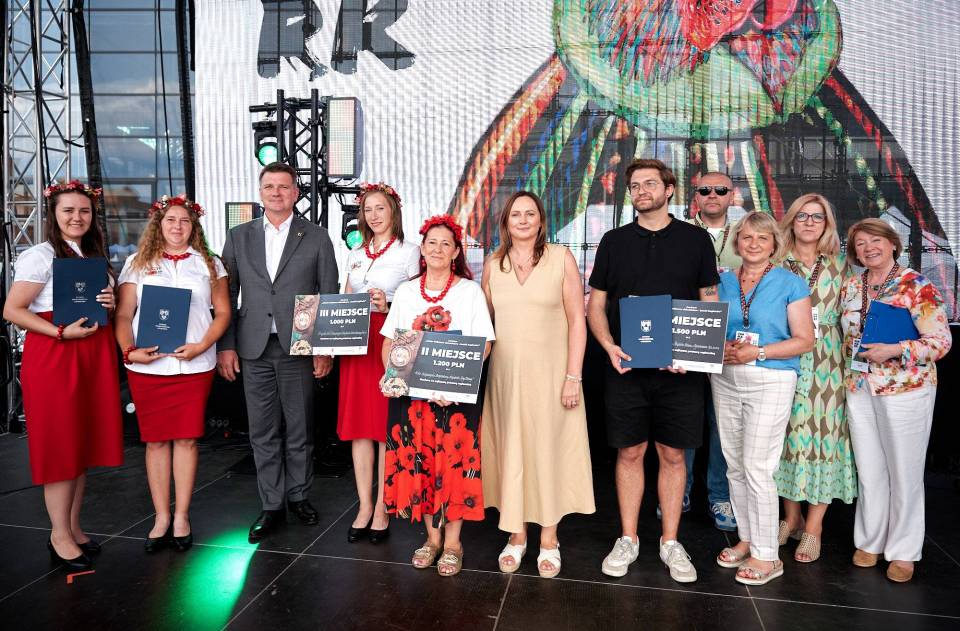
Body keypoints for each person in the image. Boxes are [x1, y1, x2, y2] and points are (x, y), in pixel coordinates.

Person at [587, 158, 719, 584]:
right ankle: (628, 538)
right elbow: (596, 304)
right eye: (634, 186)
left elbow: (709, 300)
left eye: (649, 183)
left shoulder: (696, 240)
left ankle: (670, 541)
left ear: (669, 189)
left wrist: (694, 353)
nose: (641, 191)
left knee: (673, 454)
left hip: (679, 372)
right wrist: (608, 346)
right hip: (625, 368)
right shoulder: (614, 241)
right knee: (629, 453)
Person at [2, 180, 122, 570]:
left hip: (91, 351)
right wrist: (59, 332)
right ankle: (58, 535)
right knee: (60, 446)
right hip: (56, 352)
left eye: (84, 211)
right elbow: (12, 310)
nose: (77, 217)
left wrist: (110, 300)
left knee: (80, 444)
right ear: (54, 214)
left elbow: (100, 304)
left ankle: (72, 527)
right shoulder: (39, 256)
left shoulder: (93, 255)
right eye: (68, 210)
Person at [217, 162, 339, 543]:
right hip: (252, 347)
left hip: (298, 347)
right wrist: (226, 345)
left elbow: (328, 294)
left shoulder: (317, 237)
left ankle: (298, 495)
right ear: (260, 192)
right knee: (262, 431)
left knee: (300, 428)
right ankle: (271, 504)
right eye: (269, 186)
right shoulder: (238, 236)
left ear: (295, 193)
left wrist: (324, 349)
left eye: (284, 187)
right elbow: (226, 296)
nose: (276, 193)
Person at [481, 191, 595, 579]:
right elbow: (483, 325)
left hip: (553, 377)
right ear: (505, 222)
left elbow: (577, 321)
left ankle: (549, 538)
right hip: (505, 379)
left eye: (530, 213)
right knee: (512, 452)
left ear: (541, 220)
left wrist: (573, 376)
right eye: (516, 214)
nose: (523, 219)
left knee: (548, 454)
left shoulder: (561, 258)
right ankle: (516, 535)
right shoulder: (493, 264)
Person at [379, 215, 495, 577]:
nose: (438, 249)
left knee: (453, 468)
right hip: (413, 399)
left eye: (446, 244)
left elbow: (484, 345)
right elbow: (390, 343)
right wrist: (394, 377)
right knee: (422, 466)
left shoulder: (469, 292)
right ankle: (432, 539)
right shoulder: (407, 292)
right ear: (423, 249)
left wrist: (452, 384)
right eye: (432, 243)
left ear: (457, 251)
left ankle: (453, 544)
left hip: (454, 402)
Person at [114, 195, 231, 552]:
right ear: (158, 224)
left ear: (194, 226)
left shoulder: (210, 263)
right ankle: (161, 517)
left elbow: (223, 313)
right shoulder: (137, 262)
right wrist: (129, 351)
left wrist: (202, 345)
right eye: (170, 220)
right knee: (155, 441)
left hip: (194, 365)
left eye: (184, 220)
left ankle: (181, 516)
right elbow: (123, 315)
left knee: (186, 440)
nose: (177, 226)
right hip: (148, 366)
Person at [839, 218, 952, 583]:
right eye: (860, 244)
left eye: (875, 240)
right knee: (869, 469)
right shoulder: (852, 285)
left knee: (904, 472)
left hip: (906, 389)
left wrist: (895, 349)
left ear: (892, 244)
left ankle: (903, 551)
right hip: (859, 387)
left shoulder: (916, 284)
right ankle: (870, 541)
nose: (868, 248)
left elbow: (940, 342)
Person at [712, 211, 814, 586]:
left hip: (771, 379)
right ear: (737, 243)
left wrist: (757, 352)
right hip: (725, 378)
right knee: (734, 465)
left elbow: (805, 340)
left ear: (774, 244)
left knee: (758, 467)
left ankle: (768, 556)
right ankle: (748, 538)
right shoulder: (722, 282)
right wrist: (719, 346)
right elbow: (709, 328)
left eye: (762, 238)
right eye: (746, 237)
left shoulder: (791, 283)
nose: (753, 244)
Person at [774, 194, 857, 563]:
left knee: (825, 439)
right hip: (786, 358)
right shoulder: (776, 263)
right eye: (802, 216)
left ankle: (814, 527)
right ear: (791, 221)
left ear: (827, 224)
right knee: (787, 438)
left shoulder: (843, 267)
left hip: (829, 364)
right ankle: (790, 517)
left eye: (817, 217)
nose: (809, 222)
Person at [338, 182, 419, 544]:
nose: (373, 215)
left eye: (380, 208)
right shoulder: (355, 253)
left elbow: (418, 304)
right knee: (359, 427)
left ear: (393, 212)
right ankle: (364, 505)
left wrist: (389, 304)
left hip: (388, 342)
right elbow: (345, 297)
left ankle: (384, 507)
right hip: (356, 344)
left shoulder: (410, 251)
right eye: (367, 209)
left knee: (384, 427)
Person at [677, 171, 740, 532]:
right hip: (690, 336)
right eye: (704, 190)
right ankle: (679, 491)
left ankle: (720, 495)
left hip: (731, 343)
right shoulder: (680, 233)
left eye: (720, 189)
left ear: (733, 195)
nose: (712, 195)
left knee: (722, 425)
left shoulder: (748, 234)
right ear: (695, 196)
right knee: (684, 418)